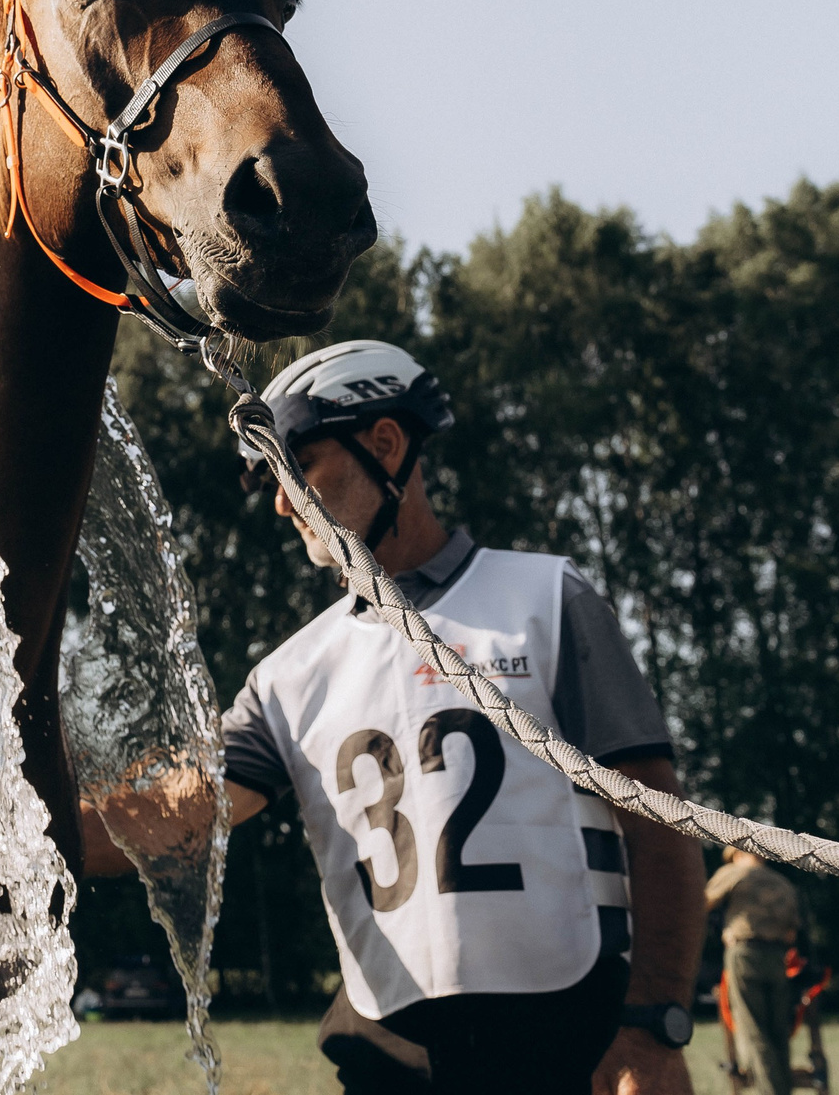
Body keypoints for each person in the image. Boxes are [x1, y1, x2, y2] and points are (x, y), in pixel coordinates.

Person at [206, 340, 700, 1094]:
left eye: (297, 464)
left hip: (568, 1048)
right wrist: (29, 808)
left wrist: (654, 1027)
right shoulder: (285, 674)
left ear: (386, 444)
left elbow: (660, 824)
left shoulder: (548, 598)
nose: (279, 499)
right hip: (390, 1059)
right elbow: (186, 810)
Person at [704, 848, 800, 1095]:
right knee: (778, 1031)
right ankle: (783, 1089)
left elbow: (702, 903)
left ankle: (771, 1092)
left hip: (744, 954)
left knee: (753, 1030)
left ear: (737, 854)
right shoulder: (783, 883)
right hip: (778, 958)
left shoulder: (734, 873)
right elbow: (792, 932)